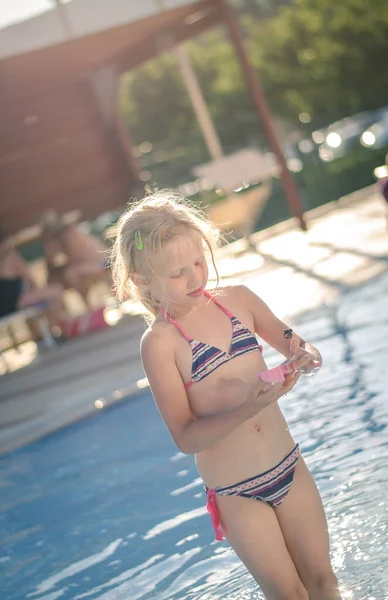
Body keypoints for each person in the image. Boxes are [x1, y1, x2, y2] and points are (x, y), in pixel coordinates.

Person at [110, 192, 342, 600]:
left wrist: (305, 357)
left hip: (288, 466)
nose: (197, 277)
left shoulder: (239, 301)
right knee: (289, 595)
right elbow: (185, 437)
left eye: (199, 262)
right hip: (238, 492)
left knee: (323, 583)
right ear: (144, 281)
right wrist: (250, 406)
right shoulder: (160, 344)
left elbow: (298, 345)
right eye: (179, 273)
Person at [0, 223, 64, 331]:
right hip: (14, 303)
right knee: (56, 291)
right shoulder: (9, 255)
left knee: (28, 296)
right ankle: (53, 330)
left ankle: (39, 334)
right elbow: (30, 279)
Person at [41, 210, 111, 308]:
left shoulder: (70, 234)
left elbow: (74, 261)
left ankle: (88, 306)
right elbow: (52, 269)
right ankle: (81, 309)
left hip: (103, 263)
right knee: (58, 280)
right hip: (93, 266)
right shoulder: (59, 241)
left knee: (71, 273)